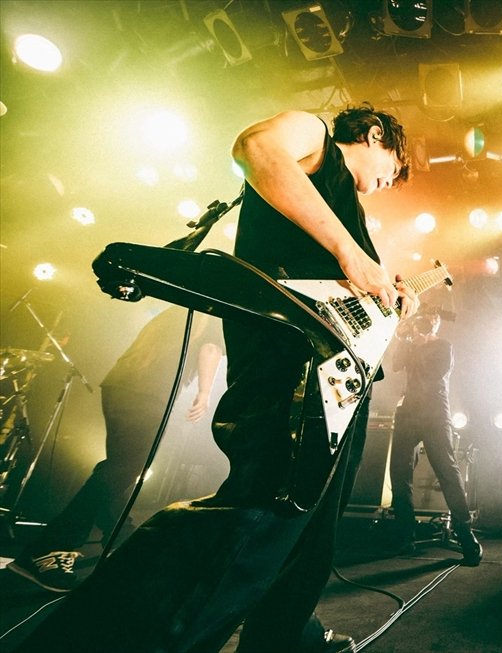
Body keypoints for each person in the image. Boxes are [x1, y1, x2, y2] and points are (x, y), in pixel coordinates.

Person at [13, 104, 418, 653]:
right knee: (255, 517)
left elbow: (338, 298)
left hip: (340, 379)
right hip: (289, 371)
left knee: (311, 533)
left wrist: (388, 299)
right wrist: (352, 254)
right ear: (374, 135)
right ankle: (99, 639)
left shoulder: (347, 209)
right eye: (393, 170)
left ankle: (281, 637)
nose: (388, 183)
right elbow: (255, 147)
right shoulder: (315, 136)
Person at [7, 305, 224, 592]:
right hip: (147, 395)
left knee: (119, 468)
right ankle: (48, 548)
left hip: (121, 386)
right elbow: (210, 349)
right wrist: (204, 393)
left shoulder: (177, 311)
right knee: (124, 469)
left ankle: (122, 540)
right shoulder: (214, 314)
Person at [387, 306, 482, 565]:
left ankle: (466, 535)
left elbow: (433, 374)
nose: (424, 325)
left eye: (429, 322)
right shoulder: (410, 344)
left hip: (435, 413)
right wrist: (403, 337)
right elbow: (395, 364)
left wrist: (418, 342)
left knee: (447, 471)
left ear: (436, 324)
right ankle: (405, 535)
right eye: (421, 321)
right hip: (408, 413)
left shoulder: (444, 347)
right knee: (399, 473)